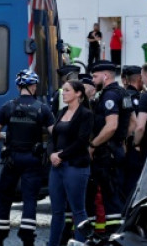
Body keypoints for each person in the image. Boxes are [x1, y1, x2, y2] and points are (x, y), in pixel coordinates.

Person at [0, 69, 55, 246]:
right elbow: (54, 133)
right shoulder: (43, 108)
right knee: (30, 198)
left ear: (18, 86)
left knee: (4, 195)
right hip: (33, 159)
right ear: (33, 86)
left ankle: (0, 235)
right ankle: (27, 237)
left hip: (12, 158)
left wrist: (5, 140)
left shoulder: (8, 107)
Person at [87, 61, 133, 234]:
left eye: (95, 76)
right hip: (117, 151)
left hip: (105, 153)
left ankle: (112, 235)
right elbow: (133, 123)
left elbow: (111, 125)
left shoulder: (109, 96)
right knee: (115, 193)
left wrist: (93, 145)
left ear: (105, 76)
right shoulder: (123, 93)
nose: (93, 80)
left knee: (108, 195)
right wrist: (121, 141)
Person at [47, 79, 93, 246]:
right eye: (63, 90)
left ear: (78, 93)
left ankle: (81, 243)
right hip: (56, 167)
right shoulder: (61, 111)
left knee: (78, 210)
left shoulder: (86, 114)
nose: (63, 93)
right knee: (57, 211)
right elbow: (53, 137)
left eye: (67, 90)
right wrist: (52, 154)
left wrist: (62, 155)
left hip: (75, 166)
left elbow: (82, 141)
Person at [120, 65, 144, 202]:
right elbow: (135, 124)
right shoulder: (140, 97)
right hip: (134, 146)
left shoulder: (124, 96)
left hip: (126, 145)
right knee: (133, 183)